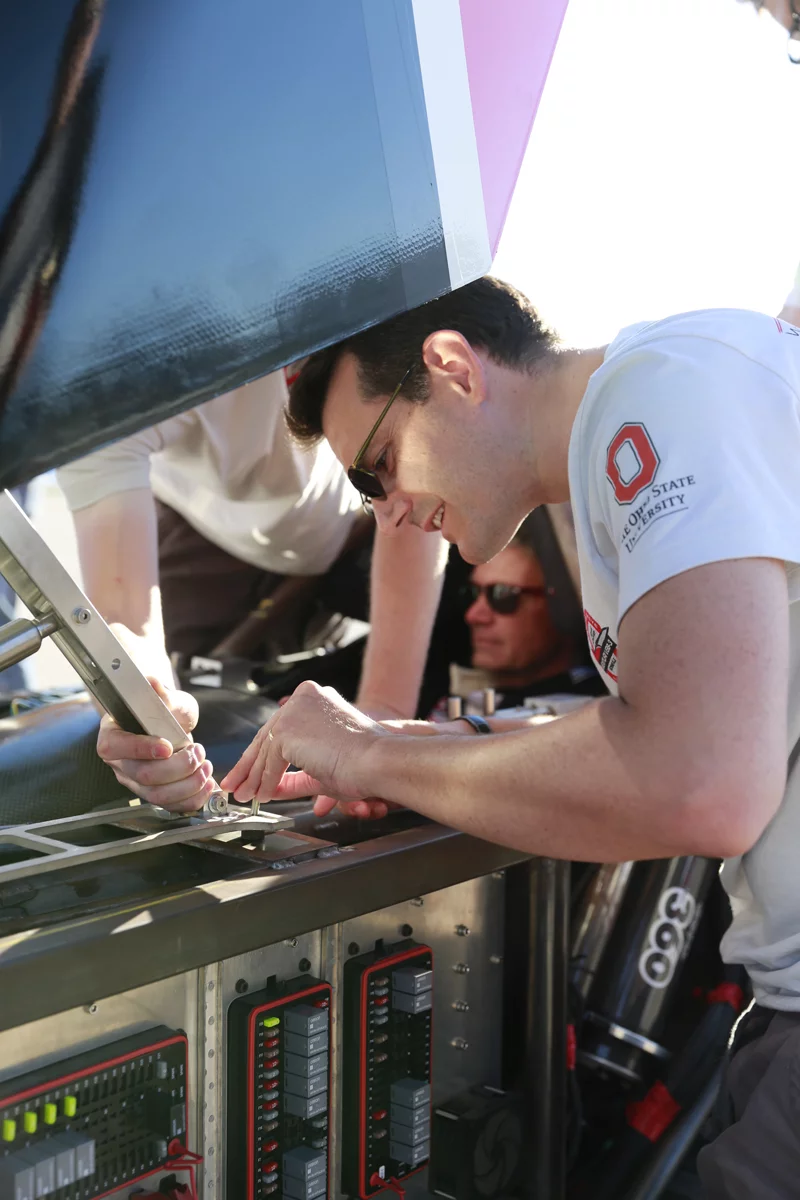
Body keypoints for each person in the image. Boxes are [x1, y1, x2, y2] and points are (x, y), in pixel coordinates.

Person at [215, 276, 800, 1194]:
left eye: (379, 466)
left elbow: (702, 781)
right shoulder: (651, 413)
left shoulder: (660, 392)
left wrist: (376, 755)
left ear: (452, 369)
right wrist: (402, 744)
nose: (388, 513)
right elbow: (660, 731)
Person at [58, 369, 447, 808]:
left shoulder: (382, 328)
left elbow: (407, 488)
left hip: (352, 528)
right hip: (205, 534)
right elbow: (127, 621)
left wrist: (383, 715)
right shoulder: (102, 381)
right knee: (200, 724)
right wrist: (144, 725)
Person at [432, 517, 601, 715]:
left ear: (564, 604)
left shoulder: (596, 715)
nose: (474, 616)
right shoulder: (453, 702)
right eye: (473, 593)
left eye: (503, 595)